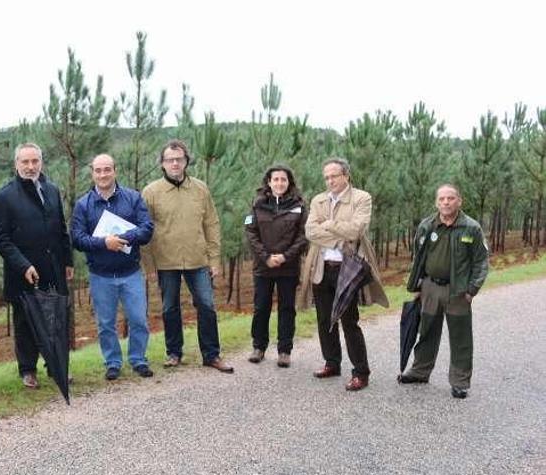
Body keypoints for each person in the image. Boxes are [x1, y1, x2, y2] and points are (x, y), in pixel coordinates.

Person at [141, 139, 233, 373]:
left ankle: (211, 355)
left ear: (186, 161)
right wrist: (149, 265)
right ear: (162, 164)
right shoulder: (151, 192)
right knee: (170, 307)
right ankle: (174, 353)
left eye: (179, 159)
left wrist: (214, 259)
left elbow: (211, 223)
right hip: (165, 260)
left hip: (197, 259)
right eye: (169, 159)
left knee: (207, 305)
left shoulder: (201, 189)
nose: (174, 163)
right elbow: (144, 230)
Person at [299, 157, 388, 391]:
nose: (330, 181)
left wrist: (327, 225)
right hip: (321, 267)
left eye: (334, 176)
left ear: (346, 175)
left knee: (349, 322)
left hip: (347, 269)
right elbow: (310, 231)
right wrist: (338, 234)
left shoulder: (361, 198)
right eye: (326, 177)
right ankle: (332, 362)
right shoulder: (319, 200)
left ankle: (361, 372)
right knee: (324, 320)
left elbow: (356, 230)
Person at [0, 143, 73, 389]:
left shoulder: (52, 190)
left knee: (56, 320)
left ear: (41, 162)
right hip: (23, 273)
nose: (30, 167)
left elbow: (61, 229)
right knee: (26, 323)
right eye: (25, 162)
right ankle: (28, 370)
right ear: (16, 164)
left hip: (53, 268)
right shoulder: (3, 197)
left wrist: (67, 260)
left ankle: (56, 366)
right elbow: (0, 239)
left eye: (35, 161)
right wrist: (23, 265)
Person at [400, 184, 489, 399]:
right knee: (427, 331)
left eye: (450, 198)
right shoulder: (427, 226)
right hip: (430, 287)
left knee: (461, 337)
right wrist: (418, 285)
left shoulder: (471, 228)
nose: (446, 202)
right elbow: (418, 258)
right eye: (442, 199)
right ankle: (420, 371)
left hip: (458, 291)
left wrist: (471, 290)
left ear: (460, 201)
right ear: (436, 202)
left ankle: (459, 382)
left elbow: (481, 261)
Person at [71, 154, 155, 381]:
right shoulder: (83, 205)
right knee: (106, 324)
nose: (102, 174)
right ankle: (113, 362)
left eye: (107, 169)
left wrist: (123, 238)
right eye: (98, 170)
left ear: (115, 171)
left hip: (131, 273)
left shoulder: (133, 198)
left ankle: (138, 359)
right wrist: (104, 243)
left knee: (138, 319)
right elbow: (77, 239)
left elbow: (147, 228)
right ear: (92, 173)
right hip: (101, 276)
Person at [244, 164, 308, 368]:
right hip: (263, 267)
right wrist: (266, 257)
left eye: (283, 179)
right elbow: (251, 233)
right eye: (276, 179)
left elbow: (303, 235)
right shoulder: (257, 204)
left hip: (288, 267)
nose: (279, 183)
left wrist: (285, 256)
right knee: (261, 307)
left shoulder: (299, 205)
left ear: (289, 183)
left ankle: (284, 350)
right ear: (269, 182)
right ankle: (258, 347)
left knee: (287, 308)